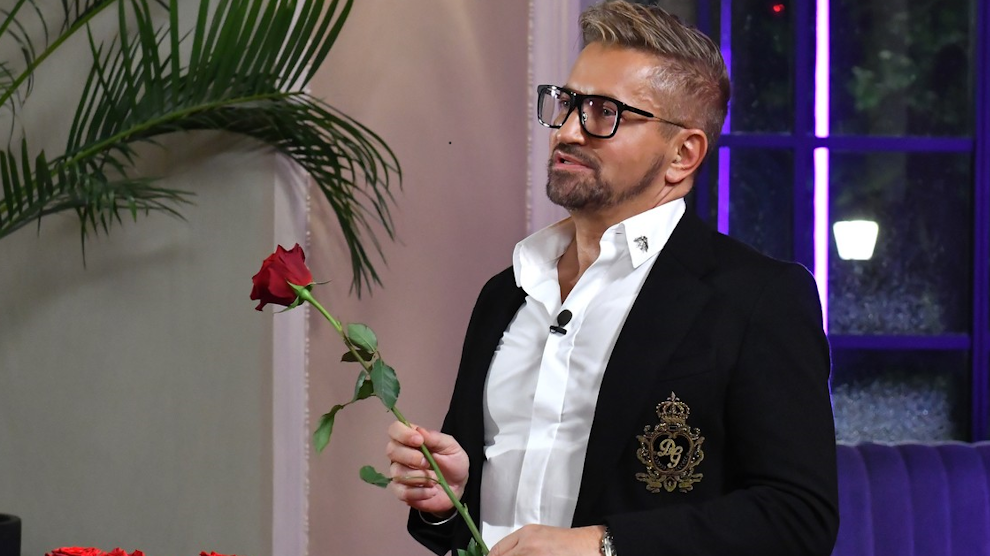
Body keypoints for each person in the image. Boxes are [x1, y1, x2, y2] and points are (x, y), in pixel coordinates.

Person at [385, 2, 839, 555]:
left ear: (683, 154)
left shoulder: (758, 298)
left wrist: (603, 547)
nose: (568, 130)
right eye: (567, 103)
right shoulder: (506, 293)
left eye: (605, 112)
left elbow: (798, 519)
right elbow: (477, 523)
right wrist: (448, 499)